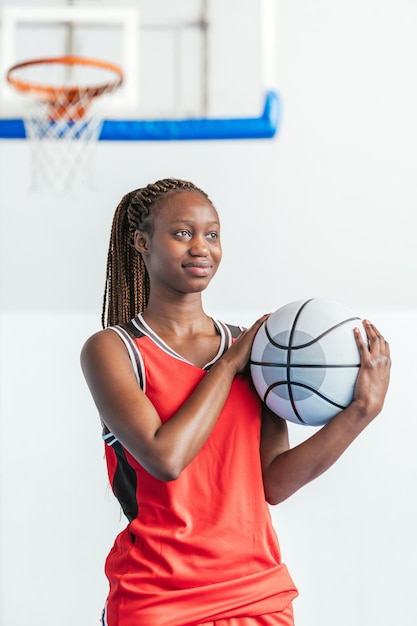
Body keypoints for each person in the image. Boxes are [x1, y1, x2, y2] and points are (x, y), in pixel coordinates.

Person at [80, 178, 391, 626]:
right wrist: (226, 366)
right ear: (141, 242)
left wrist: (361, 412)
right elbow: (165, 458)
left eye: (212, 234)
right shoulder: (114, 350)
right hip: (158, 597)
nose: (201, 247)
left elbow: (274, 484)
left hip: (256, 593)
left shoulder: (258, 351)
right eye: (182, 233)